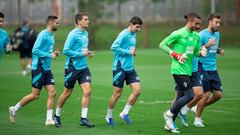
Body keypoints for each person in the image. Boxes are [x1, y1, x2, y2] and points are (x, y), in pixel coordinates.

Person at [159, 12, 207, 133]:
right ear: (190, 22)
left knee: (180, 97)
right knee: (190, 95)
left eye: (199, 24)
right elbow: (162, 44)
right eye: (196, 23)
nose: (198, 26)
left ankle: (169, 124)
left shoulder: (195, 36)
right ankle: (168, 114)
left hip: (189, 71)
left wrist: (201, 53)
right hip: (178, 70)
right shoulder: (178, 33)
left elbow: (193, 52)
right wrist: (175, 54)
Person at [9, 16, 60, 126]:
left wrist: (53, 53)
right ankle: (14, 108)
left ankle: (49, 119)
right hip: (38, 68)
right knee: (35, 95)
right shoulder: (43, 35)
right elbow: (35, 50)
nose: (58, 24)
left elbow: (47, 51)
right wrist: (49, 55)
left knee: (52, 92)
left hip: (47, 69)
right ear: (50, 23)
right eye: (57, 23)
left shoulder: (51, 36)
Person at [53, 13, 95, 128]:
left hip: (83, 68)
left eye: (88, 19)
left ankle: (83, 118)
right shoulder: (72, 34)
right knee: (66, 93)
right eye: (86, 19)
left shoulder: (85, 33)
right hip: (72, 68)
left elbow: (83, 49)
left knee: (87, 91)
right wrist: (82, 53)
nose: (88, 21)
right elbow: (66, 51)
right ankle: (56, 116)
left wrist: (88, 52)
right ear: (79, 21)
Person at [105, 16, 143, 126]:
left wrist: (133, 52)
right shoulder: (123, 34)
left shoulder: (133, 34)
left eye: (140, 27)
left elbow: (130, 49)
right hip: (119, 67)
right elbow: (113, 47)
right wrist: (128, 52)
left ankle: (124, 113)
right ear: (131, 24)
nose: (138, 29)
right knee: (117, 93)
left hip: (130, 68)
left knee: (137, 91)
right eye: (137, 27)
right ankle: (109, 116)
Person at [193, 13, 224, 128]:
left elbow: (212, 49)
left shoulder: (217, 34)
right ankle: (197, 119)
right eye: (216, 22)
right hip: (202, 67)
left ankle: (198, 107)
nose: (218, 24)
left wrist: (218, 51)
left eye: (219, 22)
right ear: (210, 21)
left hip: (213, 68)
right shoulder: (201, 35)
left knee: (218, 95)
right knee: (205, 95)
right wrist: (207, 44)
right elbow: (197, 51)